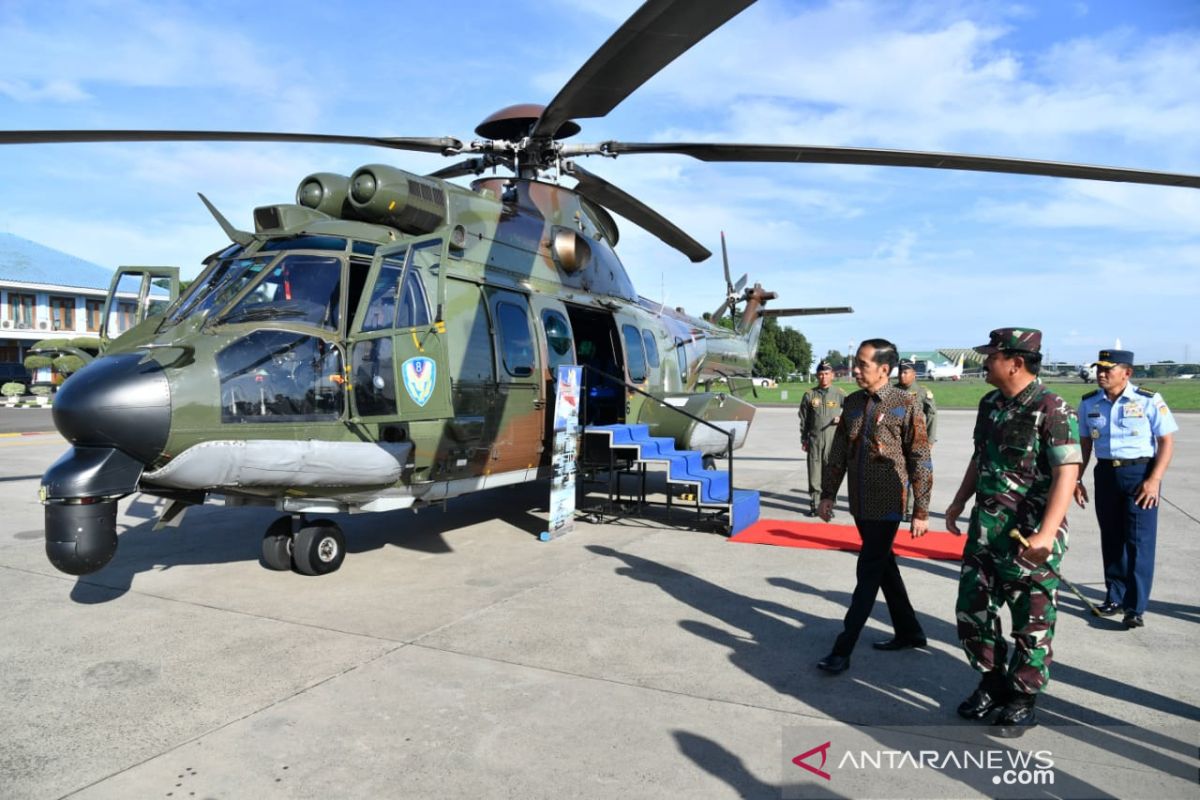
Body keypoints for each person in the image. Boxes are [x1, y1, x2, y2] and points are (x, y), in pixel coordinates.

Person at [944, 328, 1081, 738]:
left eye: (991, 356)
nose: (984, 361)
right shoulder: (990, 403)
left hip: (1028, 537)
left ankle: (1022, 699)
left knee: (1031, 621)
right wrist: (958, 501)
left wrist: (1046, 534)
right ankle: (991, 683)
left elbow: (1067, 473)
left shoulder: (1052, 407)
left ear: (1015, 363)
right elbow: (979, 456)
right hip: (986, 531)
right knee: (973, 612)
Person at [814, 339, 933, 675]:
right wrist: (827, 494)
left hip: (887, 503)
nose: (855, 369)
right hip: (859, 502)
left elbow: (920, 458)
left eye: (862, 364)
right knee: (883, 566)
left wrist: (921, 510)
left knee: (868, 571)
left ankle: (843, 648)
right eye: (855, 362)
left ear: (884, 369)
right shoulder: (851, 403)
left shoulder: (906, 403)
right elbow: (838, 453)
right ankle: (910, 631)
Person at [1073, 349, 1177, 628]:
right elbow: (1084, 444)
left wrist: (1154, 480)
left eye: (1108, 369)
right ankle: (1114, 596)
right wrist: (1077, 478)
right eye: (1099, 369)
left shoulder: (1148, 400)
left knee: (1139, 542)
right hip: (1106, 473)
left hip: (1140, 473)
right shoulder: (1089, 403)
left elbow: (1166, 442)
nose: (1101, 374)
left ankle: (1135, 606)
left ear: (1127, 373)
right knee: (1112, 537)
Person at [799, 361, 846, 517]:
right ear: (817, 375)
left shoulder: (839, 393)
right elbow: (804, 419)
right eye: (820, 374)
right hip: (815, 440)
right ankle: (814, 504)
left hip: (833, 440)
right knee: (814, 474)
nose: (823, 377)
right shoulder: (809, 395)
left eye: (826, 374)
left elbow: (853, 410)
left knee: (830, 474)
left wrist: (842, 418)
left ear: (832, 375)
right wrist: (804, 439)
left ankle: (828, 506)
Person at [896, 358, 937, 521]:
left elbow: (932, 415)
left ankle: (911, 508)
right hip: (897, 441)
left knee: (917, 474)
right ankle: (901, 508)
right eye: (900, 372)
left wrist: (930, 440)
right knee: (899, 474)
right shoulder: (892, 390)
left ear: (914, 374)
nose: (902, 376)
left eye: (905, 372)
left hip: (917, 441)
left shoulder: (922, 392)